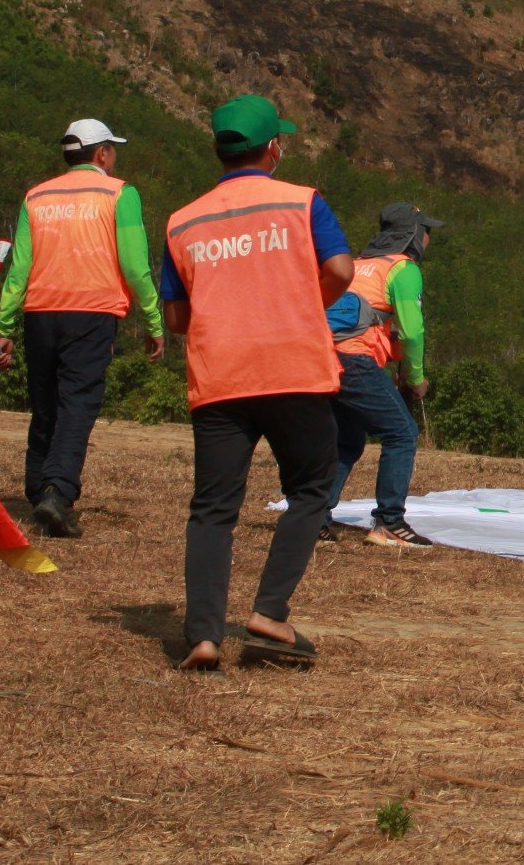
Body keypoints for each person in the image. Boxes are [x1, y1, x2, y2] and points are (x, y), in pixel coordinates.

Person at [157, 95, 352, 670]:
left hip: (221, 376)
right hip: (294, 369)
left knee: (213, 508)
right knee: (311, 488)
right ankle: (268, 613)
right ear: (273, 148)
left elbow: (175, 317)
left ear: (219, 151)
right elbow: (341, 269)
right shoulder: (302, 202)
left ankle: (203, 637)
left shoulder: (183, 221)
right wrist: (300, 305)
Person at [0, 118, 165, 537]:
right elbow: (134, 264)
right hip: (91, 313)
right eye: (113, 149)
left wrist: (4, 326)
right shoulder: (119, 193)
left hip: (39, 313)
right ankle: (58, 491)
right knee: (78, 403)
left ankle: (37, 488)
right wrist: (154, 318)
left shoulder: (37, 196)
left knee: (46, 402)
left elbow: (19, 270)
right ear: (101, 153)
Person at [324, 202, 440, 549]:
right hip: (356, 361)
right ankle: (389, 521)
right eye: (426, 231)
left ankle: (313, 517)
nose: (429, 237)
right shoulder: (403, 269)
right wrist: (414, 377)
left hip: (325, 359)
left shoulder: (355, 266)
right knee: (402, 433)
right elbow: (412, 331)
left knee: (347, 440)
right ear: (413, 236)